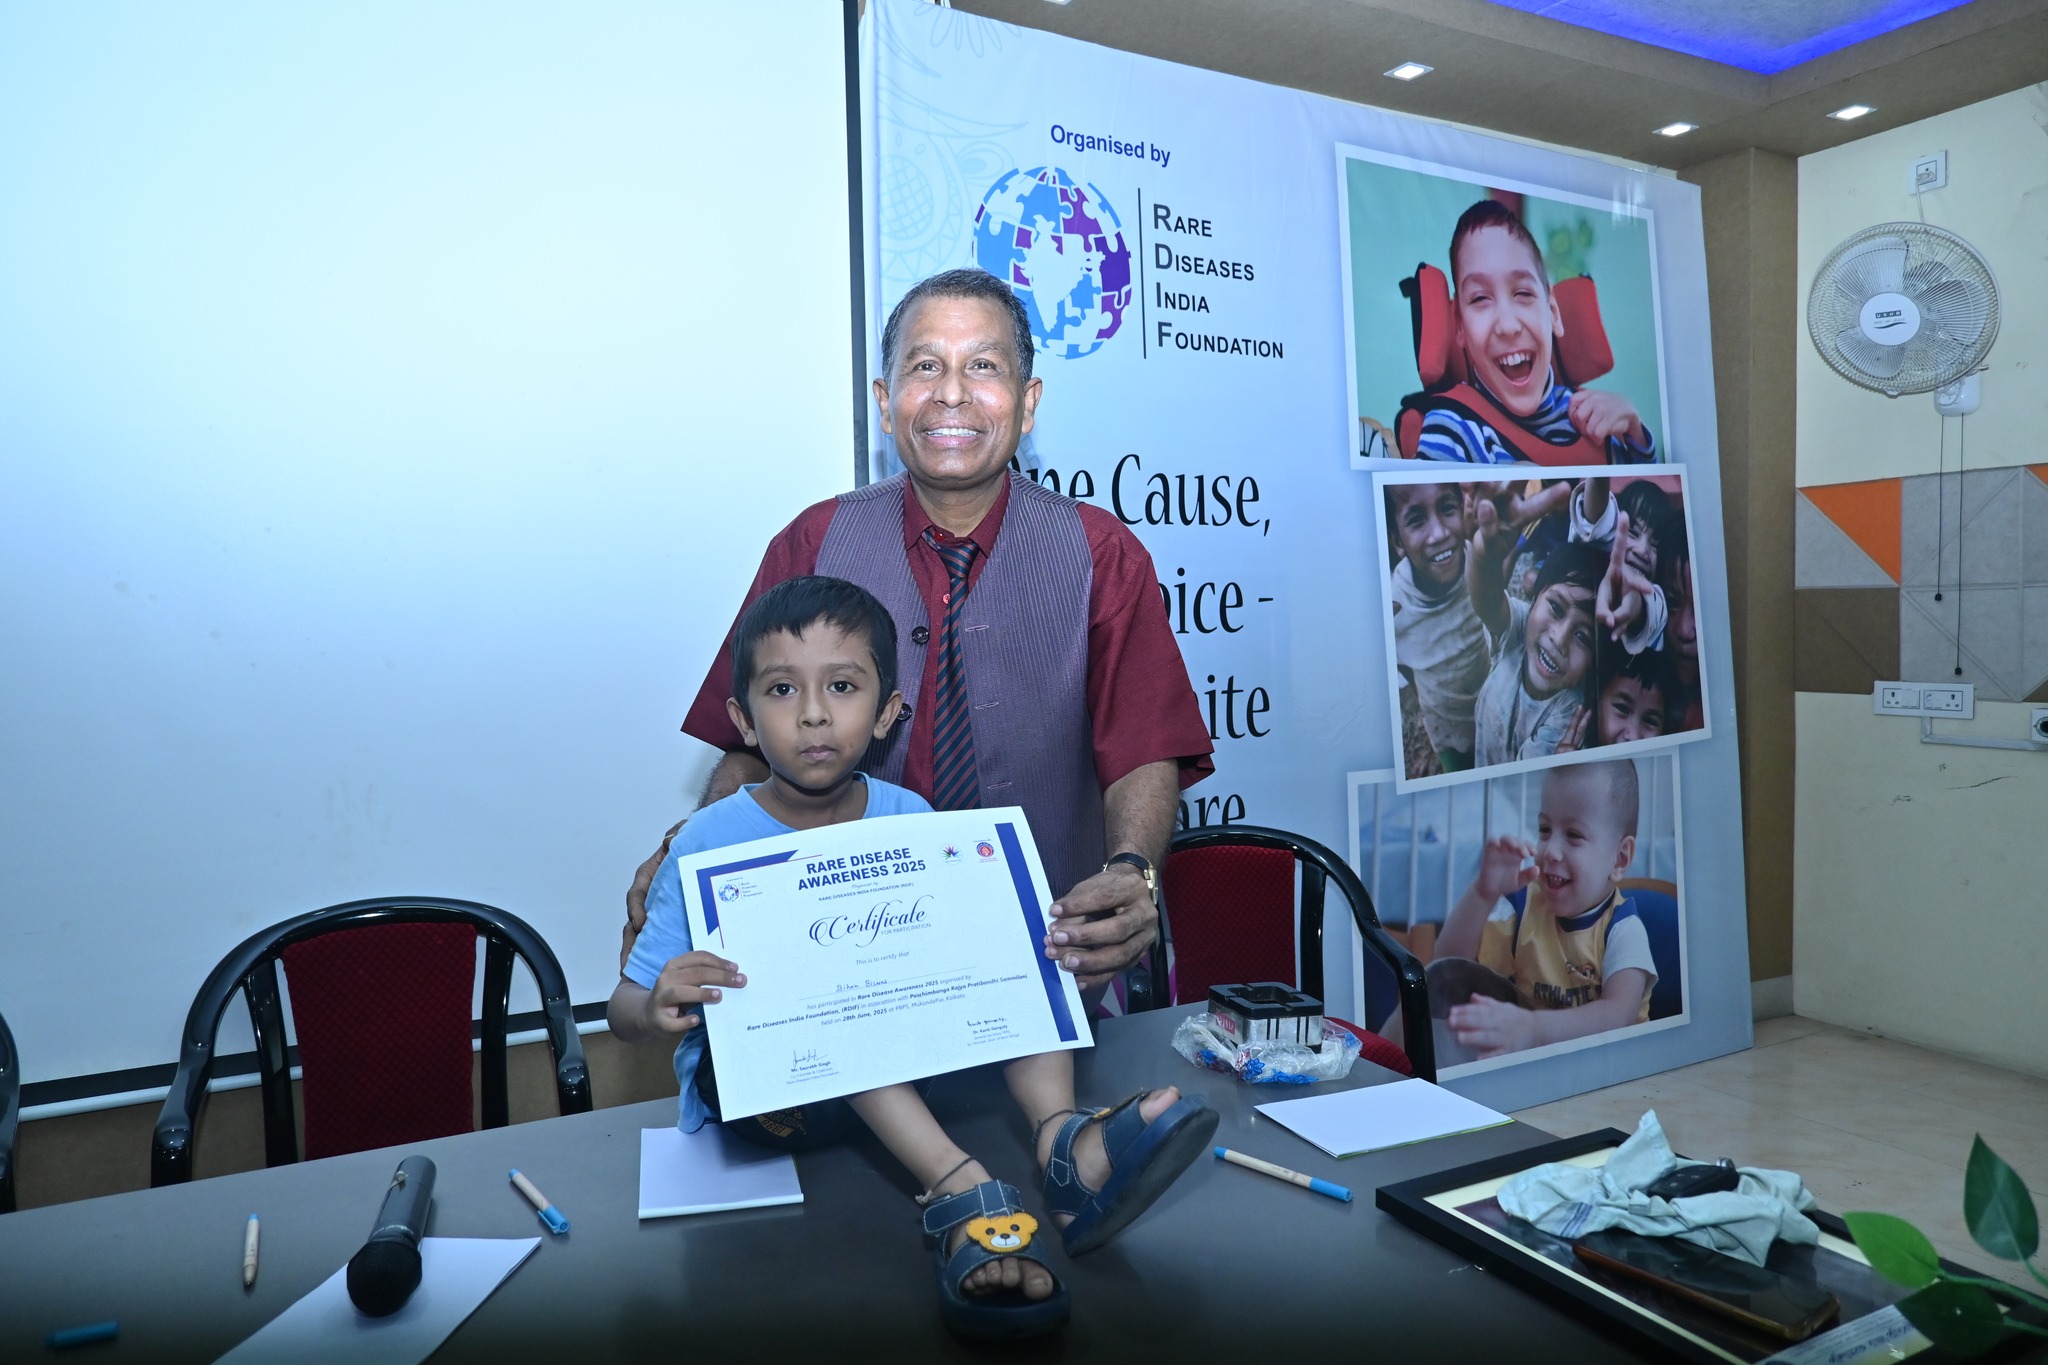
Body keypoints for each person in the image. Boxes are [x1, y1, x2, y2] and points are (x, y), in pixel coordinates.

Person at [610, 576, 1217, 1341]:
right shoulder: (705, 841)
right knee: (840, 991)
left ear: (888, 712)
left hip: (901, 1063)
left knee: (1020, 927)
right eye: (780, 689)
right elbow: (622, 1013)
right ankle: (962, 1187)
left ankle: (1061, 1139)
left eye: (842, 685)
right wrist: (658, 1001)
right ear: (743, 718)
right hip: (765, 1098)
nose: (813, 712)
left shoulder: (911, 817)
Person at [624, 267, 1214, 1011]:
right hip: (841, 978)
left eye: (985, 367)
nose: (952, 393)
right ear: (884, 400)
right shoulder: (813, 540)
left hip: (1048, 972)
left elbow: (1144, 746)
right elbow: (748, 745)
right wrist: (691, 861)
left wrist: (1133, 870)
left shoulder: (1100, 553)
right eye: (925, 365)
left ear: (1028, 404)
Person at [1435, 759, 1656, 1058]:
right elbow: (1446, 970)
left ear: (1619, 859)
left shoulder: (1623, 928)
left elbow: (1617, 1016)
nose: (1549, 851)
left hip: (1615, 1071)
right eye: (1544, 829)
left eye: (1574, 835)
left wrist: (1533, 1028)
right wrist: (1482, 894)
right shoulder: (1525, 907)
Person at [1415, 199, 1657, 466]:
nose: (1507, 326)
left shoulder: (1597, 421)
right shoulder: (1452, 430)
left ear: (1553, 311)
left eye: (1523, 293)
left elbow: (1647, 505)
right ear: (1459, 325)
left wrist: (1637, 436)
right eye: (1481, 298)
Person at [1467, 490, 1604, 767]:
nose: (1560, 638)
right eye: (1556, 608)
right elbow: (1487, 601)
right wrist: (1484, 558)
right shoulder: (1520, 627)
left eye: (1582, 636)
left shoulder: (1568, 713)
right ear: (1534, 598)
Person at [1386, 480, 1488, 775]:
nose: (1440, 533)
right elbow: (1396, 662)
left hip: (1493, 704)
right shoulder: (1394, 605)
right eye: (1416, 521)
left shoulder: (1479, 560)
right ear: (1397, 542)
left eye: (1447, 509)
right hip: (1446, 726)